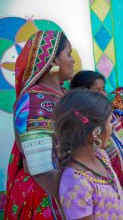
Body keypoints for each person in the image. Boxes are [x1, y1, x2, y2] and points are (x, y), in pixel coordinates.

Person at [5, 30, 75, 219]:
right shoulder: (34, 101)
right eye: (68, 53)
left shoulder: (63, 93)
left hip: (71, 186)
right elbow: (40, 169)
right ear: (52, 60)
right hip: (50, 195)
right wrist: (73, 203)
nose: (73, 60)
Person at [70, 70, 123, 219]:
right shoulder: (84, 126)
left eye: (103, 89)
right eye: (96, 90)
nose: (103, 94)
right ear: (82, 95)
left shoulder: (115, 114)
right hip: (112, 184)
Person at [55, 89, 123, 219]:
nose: (112, 127)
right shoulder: (75, 184)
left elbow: (121, 197)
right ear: (95, 132)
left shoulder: (101, 156)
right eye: (110, 121)